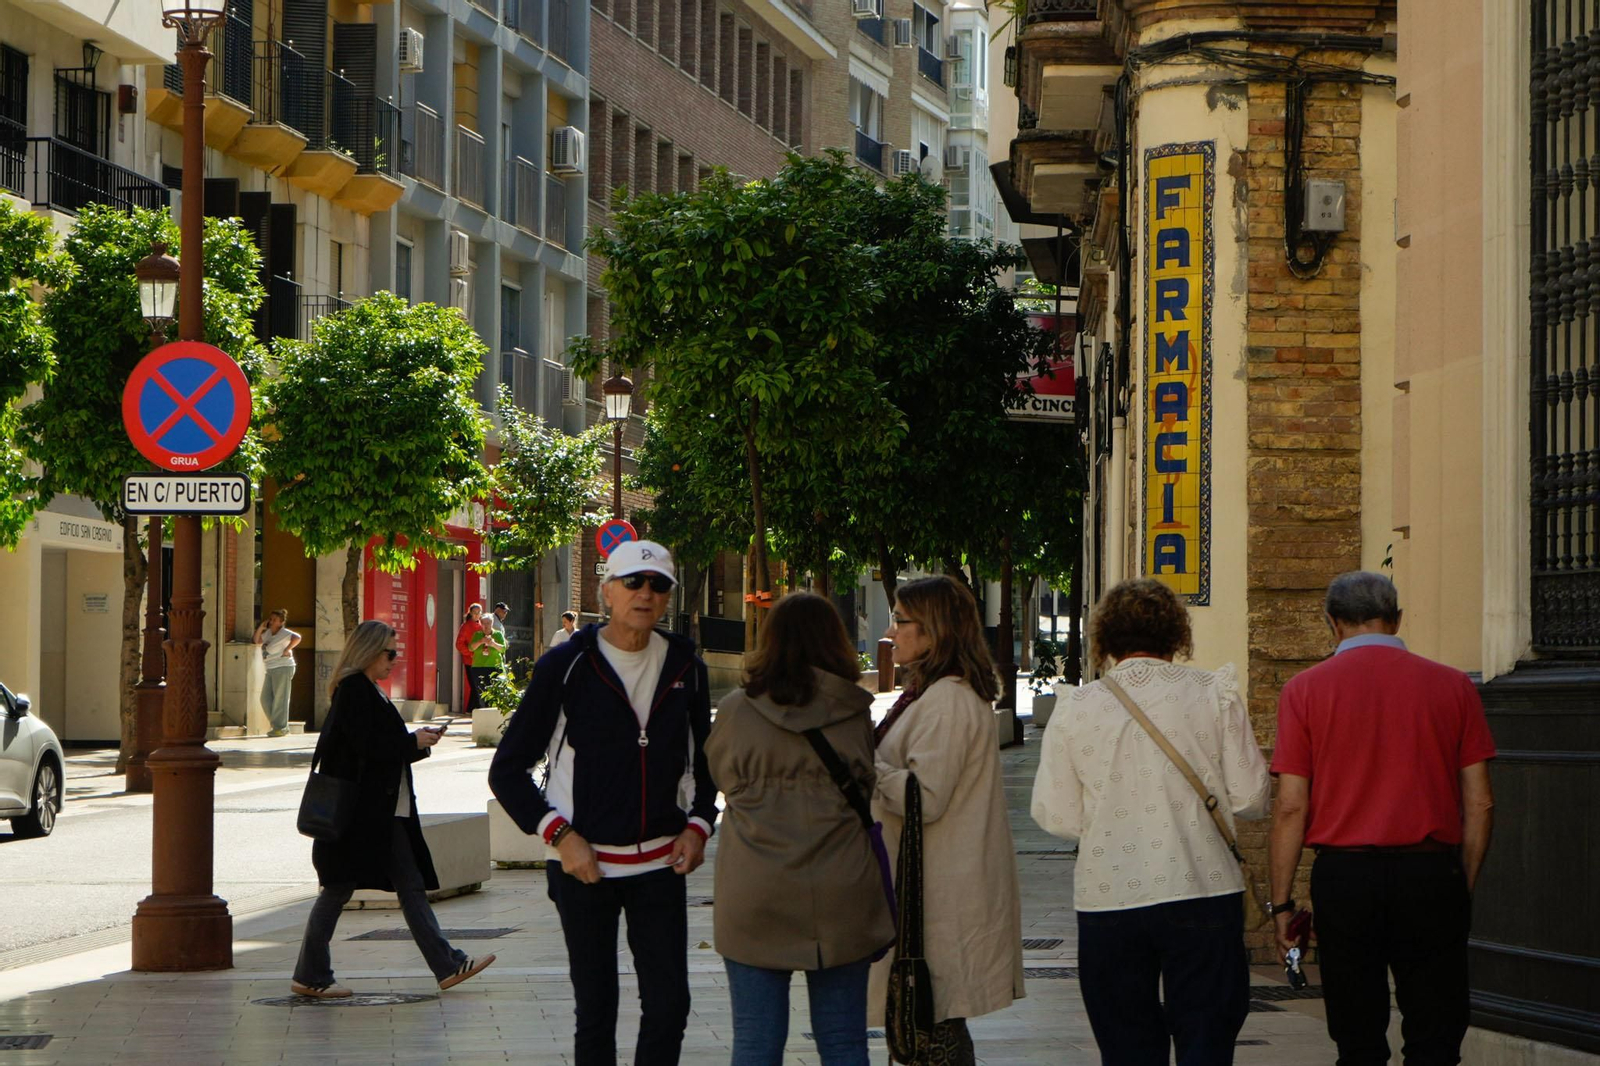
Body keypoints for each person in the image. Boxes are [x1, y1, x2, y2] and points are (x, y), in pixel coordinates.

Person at [489, 540, 716, 1066]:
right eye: (633, 582)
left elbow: (706, 764)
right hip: (582, 865)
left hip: (660, 863)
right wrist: (560, 837)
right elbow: (507, 770)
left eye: (658, 585)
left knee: (670, 1006)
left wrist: (700, 825)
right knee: (597, 1010)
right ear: (606, 591)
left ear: (668, 597)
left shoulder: (685, 665)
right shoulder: (565, 665)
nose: (645, 593)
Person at [1031, 578, 1271, 1064]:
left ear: (1105, 638)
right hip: (1203, 888)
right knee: (1207, 1040)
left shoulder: (1077, 706)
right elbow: (1250, 797)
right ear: (1176, 633)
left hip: (1110, 897)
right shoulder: (1213, 692)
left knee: (1127, 1047)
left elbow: (1056, 814)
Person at [1269, 572, 1496, 1066]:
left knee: (1358, 1039)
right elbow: (1480, 802)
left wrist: (1282, 904)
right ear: (1397, 620)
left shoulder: (1304, 690)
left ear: (1332, 623)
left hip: (1346, 878)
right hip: (1430, 872)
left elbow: (1290, 806)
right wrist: (1461, 882)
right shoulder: (1453, 685)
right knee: (1436, 1037)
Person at [707, 592, 894, 1066]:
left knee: (755, 1043)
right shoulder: (853, 711)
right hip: (840, 889)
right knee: (844, 1043)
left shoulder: (735, 710)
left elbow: (721, 777)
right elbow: (866, 782)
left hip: (754, 891)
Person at [291, 620, 496, 998]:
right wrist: (411, 742)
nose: (394, 660)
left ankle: (447, 964)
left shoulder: (367, 689)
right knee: (339, 889)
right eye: (389, 653)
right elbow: (367, 749)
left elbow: (381, 749)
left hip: (383, 813)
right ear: (369, 652)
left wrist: (417, 743)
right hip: (362, 816)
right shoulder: (354, 690)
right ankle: (311, 975)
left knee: (407, 886)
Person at [869, 575, 1025, 1063]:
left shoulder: (949, 700)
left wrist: (866, 768)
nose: (890, 633)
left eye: (900, 620)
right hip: (930, 892)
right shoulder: (932, 693)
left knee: (933, 1028)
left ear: (933, 629)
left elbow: (925, 796)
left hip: (940, 898)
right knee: (927, 1026)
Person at [253, 609, 301, 737]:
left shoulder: (285, 633)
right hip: (270, 668)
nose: (271, 621)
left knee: (280, 698)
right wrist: (260, 628)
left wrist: (288, 649)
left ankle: (281, 728)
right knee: (265, 699)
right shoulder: (268, 633)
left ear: (281, 622)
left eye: (275, 619)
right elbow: (257, 641)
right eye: (271, 619)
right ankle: (278, 725)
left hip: (283, 667)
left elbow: (298, 637)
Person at [467, 613, 508, 709]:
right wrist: (481, 641)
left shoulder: (498, 634)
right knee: (481, 692)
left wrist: (493, 644)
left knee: (495, 692)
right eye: (484, 623)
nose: (486, 626)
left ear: (492, 623)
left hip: (494, 667)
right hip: (479, 667)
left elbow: (503, 649)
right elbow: (471, 648)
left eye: (488, 623)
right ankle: (483, 710)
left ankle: (493, 710)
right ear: (481, 624)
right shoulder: (477, 635)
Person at [455, 603, 483, 711]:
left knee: (477, 686)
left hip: (480, 661)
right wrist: (471, 653)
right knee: (475, 686)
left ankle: (470, 709)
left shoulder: (481, 626)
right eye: (475, 612)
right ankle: (475, 708)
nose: (477, 615)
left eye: (479, 613)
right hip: (470, 661)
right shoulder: (466, 626)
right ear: (470, 613)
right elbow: (459, 644)